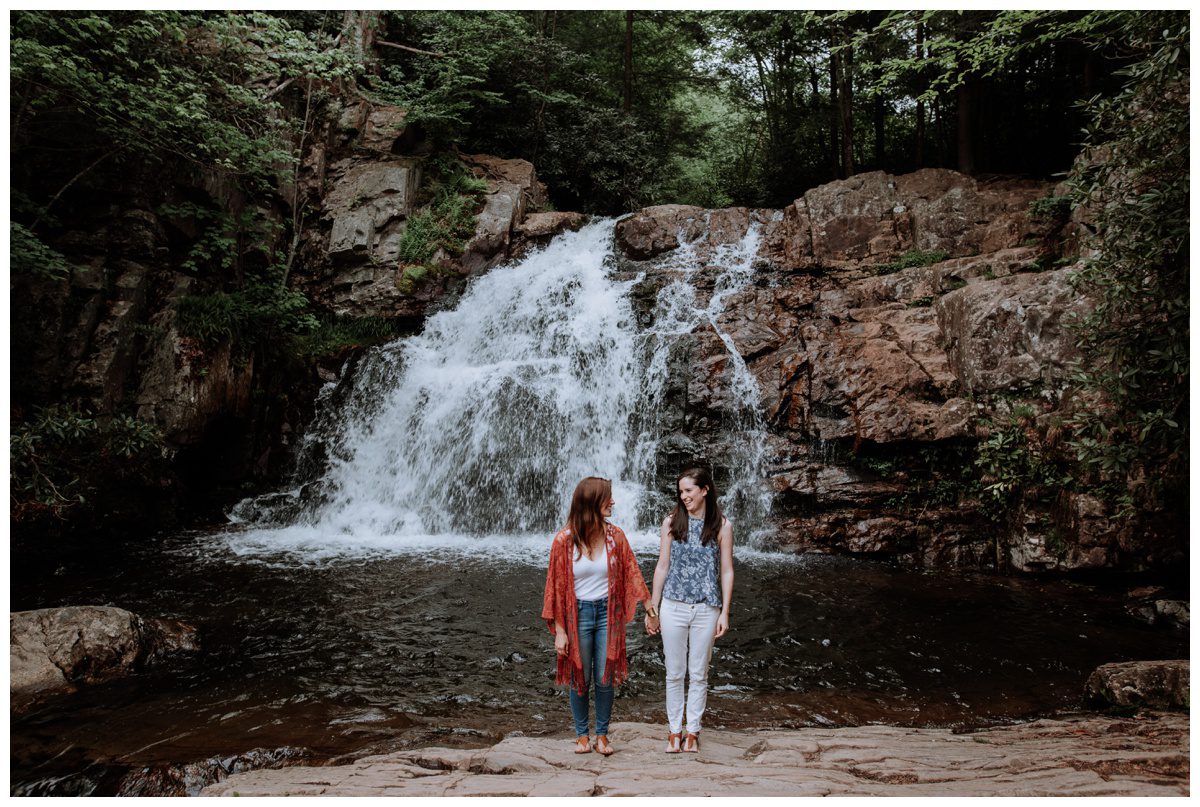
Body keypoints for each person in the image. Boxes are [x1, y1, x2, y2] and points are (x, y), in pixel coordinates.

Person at [542, 476, 659, 755]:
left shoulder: (615, 536)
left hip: (608, 613)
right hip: (577, 614)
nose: (613, 502)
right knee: (579, 676)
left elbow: (632, 572)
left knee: (605, 677)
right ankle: (582, 735)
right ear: (592, 502)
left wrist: (651, 610)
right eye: (608, 497)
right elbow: (555, 588)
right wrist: (560, 630)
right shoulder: (563, 541)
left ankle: (603, 735)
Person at [649, 467, 734, 753]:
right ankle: (674, 731)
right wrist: (653, 607)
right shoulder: (672, 522)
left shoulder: (722, 525)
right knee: (674, 673)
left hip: (707, 608)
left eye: (689, 490)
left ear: (705, 490)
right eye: (681, 491)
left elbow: (726, 571)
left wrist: (725, 611)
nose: (683, 496)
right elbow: (662, 566)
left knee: (698, 673)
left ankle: (693, 731)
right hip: (673, 606)